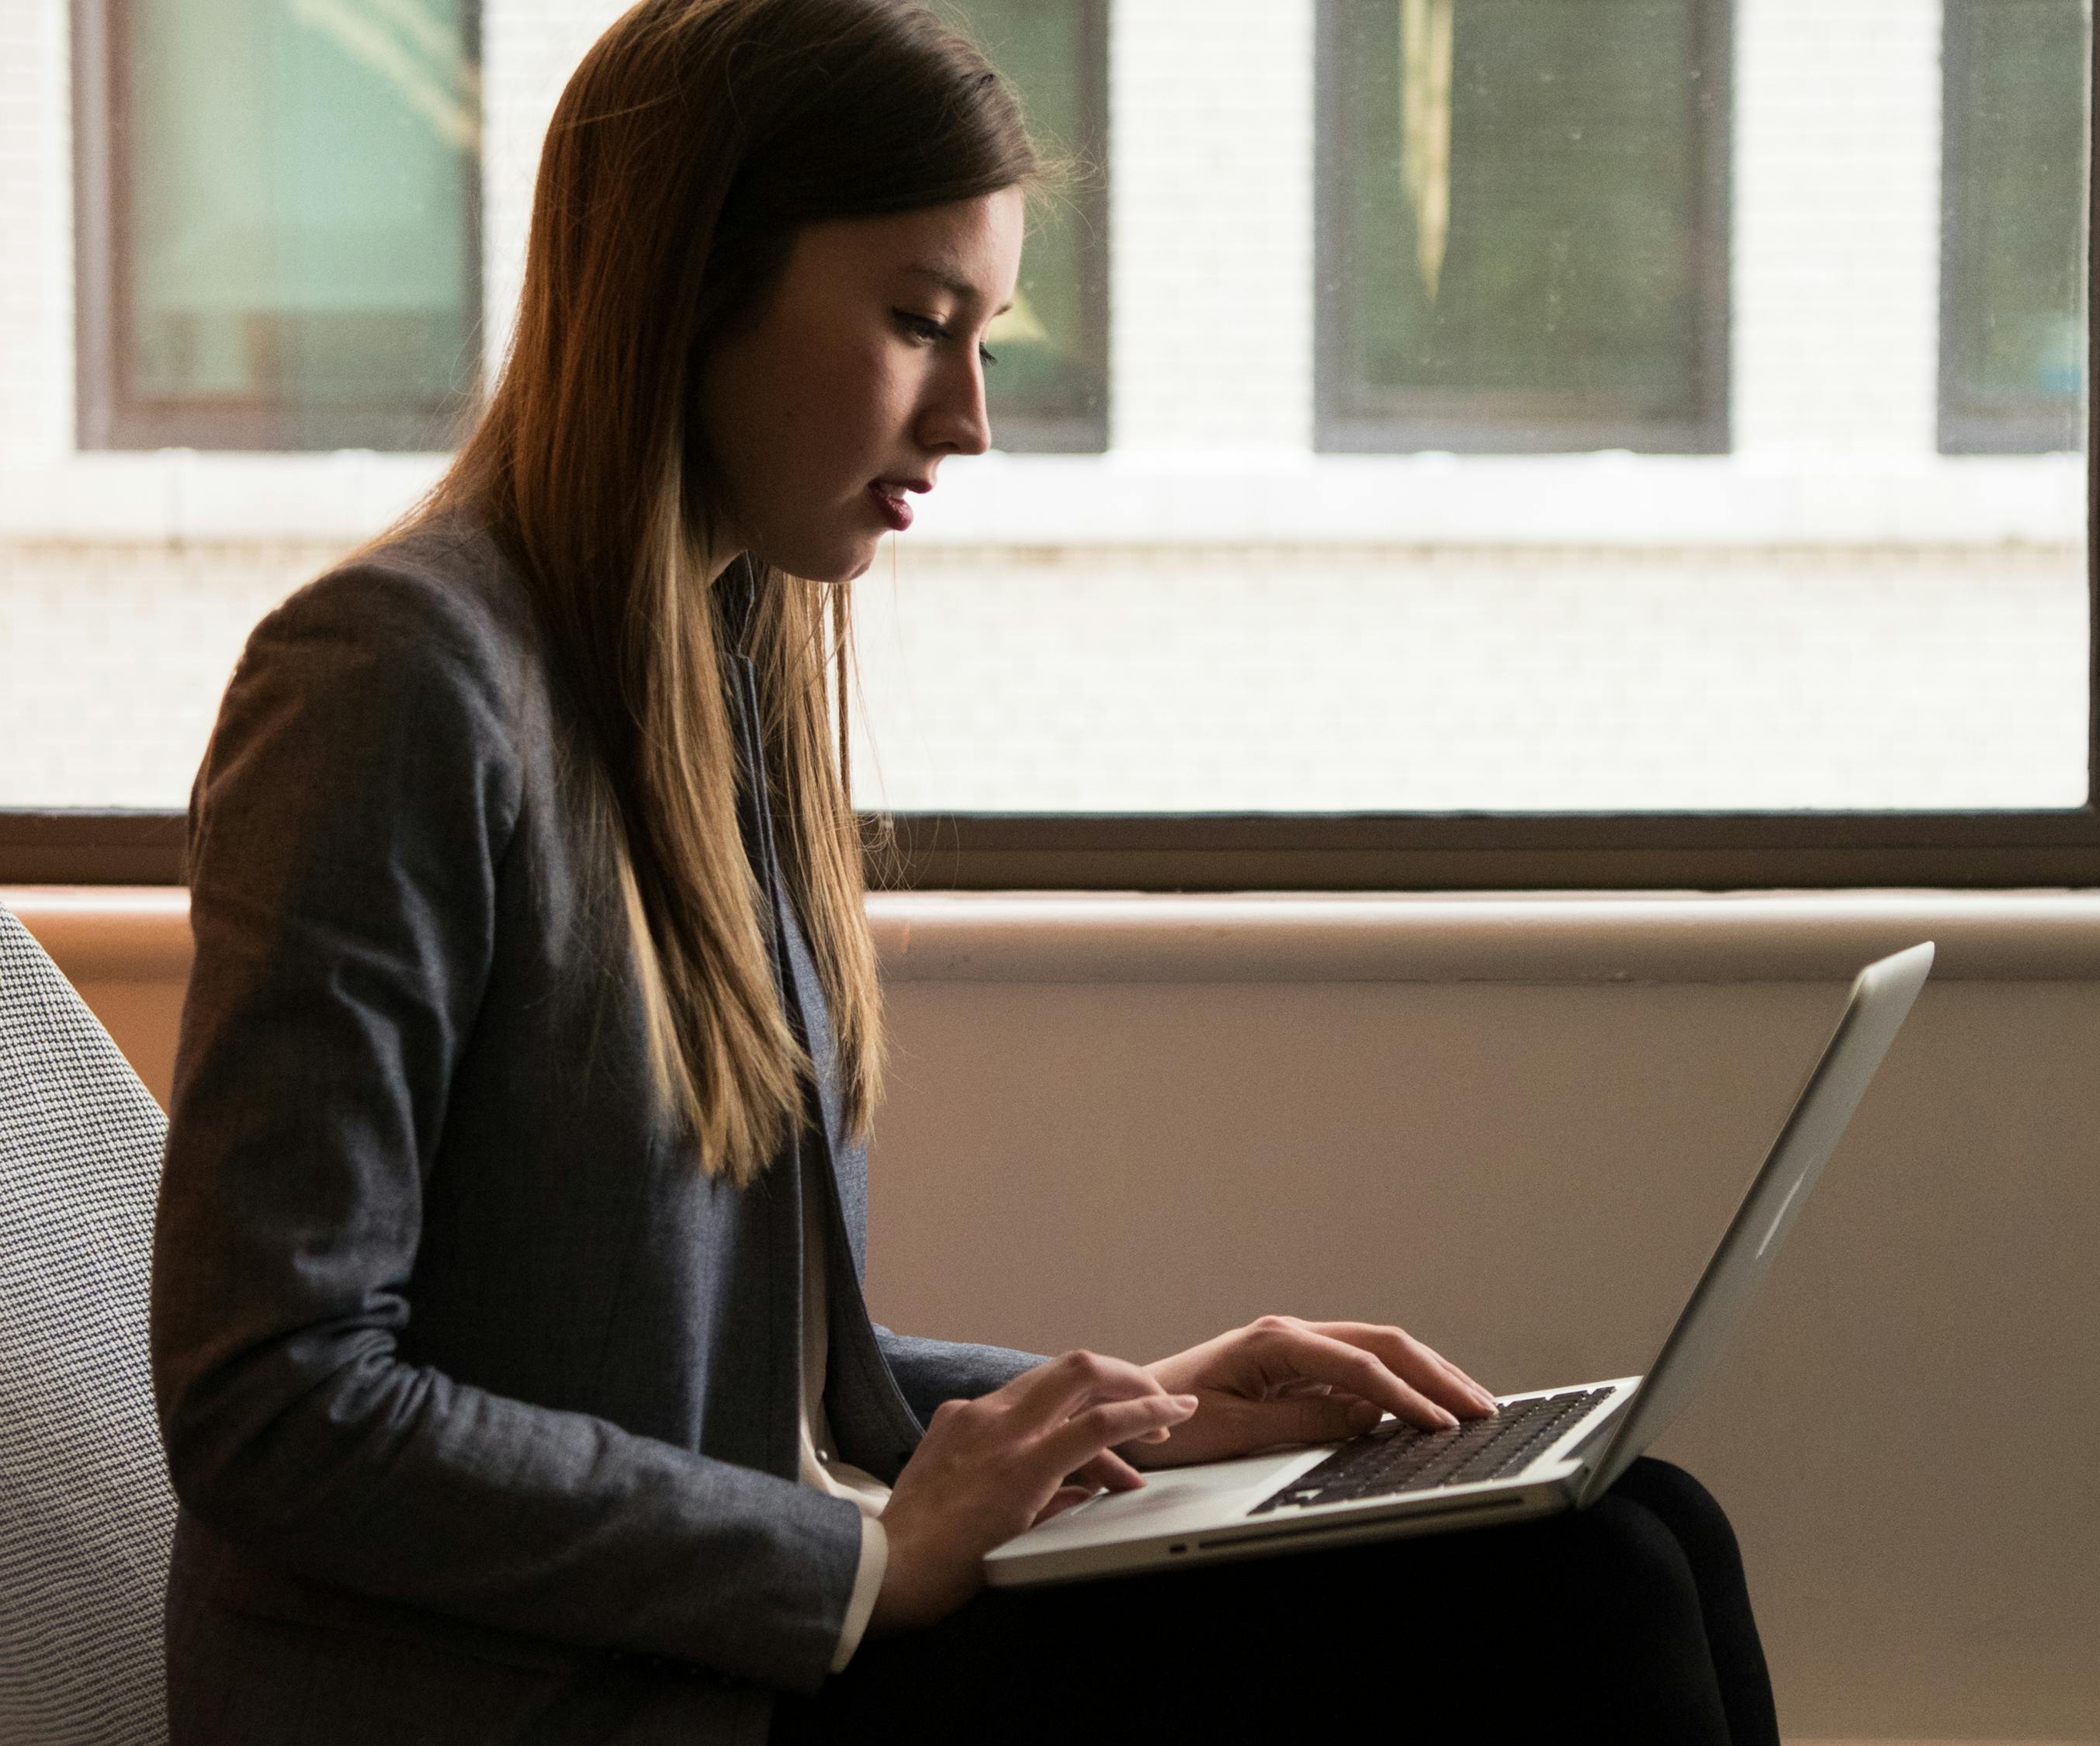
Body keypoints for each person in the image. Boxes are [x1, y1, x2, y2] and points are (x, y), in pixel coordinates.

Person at [148, 2, 1783, 1741]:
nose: (972, 421)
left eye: (985, 335)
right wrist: (862, 1565)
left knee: (1637, 1520)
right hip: (543, 1694)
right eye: (920, 323)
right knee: (1578, 1598)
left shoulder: (720, 665)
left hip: (727, 1635)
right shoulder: (391, 680)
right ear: (686, 285)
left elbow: (736, 1389)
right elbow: (276, 1400)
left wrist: (1134, 1417)